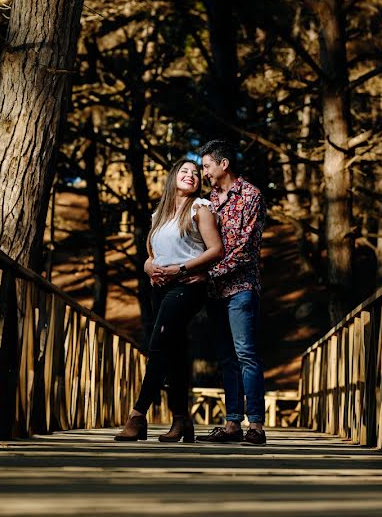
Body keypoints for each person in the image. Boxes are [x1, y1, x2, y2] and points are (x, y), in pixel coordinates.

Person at [114, 159, 223, 442]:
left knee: (159, 345)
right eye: (184, 171)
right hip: (160, 288)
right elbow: (151, 255)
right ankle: (181, 420)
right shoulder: (159, 215)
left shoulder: (201, 208)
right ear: (173, 177)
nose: (191, 176)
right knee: (174, 350)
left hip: (187, 286)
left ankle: (137, 416)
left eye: (196, 173)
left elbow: (216, 250)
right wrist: (150, 268)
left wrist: (183, 269)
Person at [195, 140, 268, 445]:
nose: (204, 172)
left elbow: (245, 251)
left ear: (223, 164)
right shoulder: (207, 201)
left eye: (207, 165)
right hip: (214, 292)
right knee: (226, 358)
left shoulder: (251, 196)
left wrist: (205, 273)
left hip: (240, 288)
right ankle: (232, 424)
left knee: (246, 354)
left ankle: (257, 427)